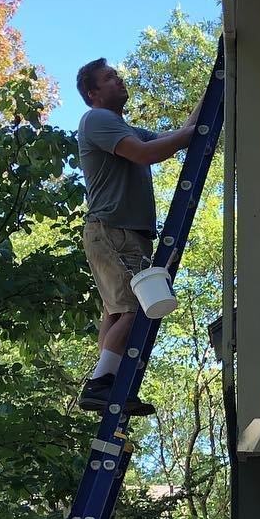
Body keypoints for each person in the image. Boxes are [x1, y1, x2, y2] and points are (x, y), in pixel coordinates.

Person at [75, 57, 200, 413]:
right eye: (109, 78)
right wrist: (193, 134)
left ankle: (111, 383)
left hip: (117, 233)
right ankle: (100, 385)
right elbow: (146, 154)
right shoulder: (98, 120)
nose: (118, 80)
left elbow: (172, 138)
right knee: (135, 308)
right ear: (93, 93)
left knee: (116, 314)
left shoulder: (121, 126)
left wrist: (203, 105)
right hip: (114, 231)